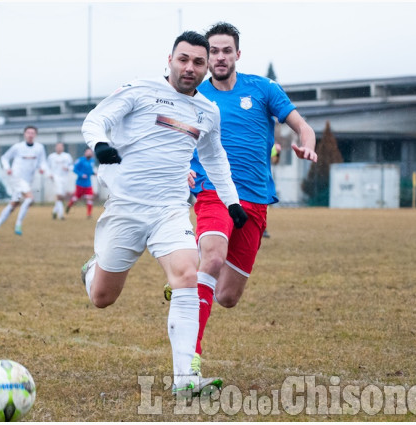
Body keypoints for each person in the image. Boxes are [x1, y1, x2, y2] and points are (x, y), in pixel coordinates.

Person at [79, 30, 247, 399]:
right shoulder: (140, 90)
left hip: (170, 210)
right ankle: (92, 270)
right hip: (126, 209)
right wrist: (101, 144)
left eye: (198, 62)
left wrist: (231, 201)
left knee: (188, 273)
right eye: (183, 59)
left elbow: (214, 157)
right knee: (102, 297)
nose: (190, 67)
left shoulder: (207, 110)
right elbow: (94, 120)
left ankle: (186, 378)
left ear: (205, 69)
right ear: (169, 60)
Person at [164, 22, 318, 376]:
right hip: (213, 193)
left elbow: (303, 126)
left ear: (237, 54)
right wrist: (182, 170)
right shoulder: (195, 97)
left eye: (225, 51)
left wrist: (306, 145)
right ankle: (189, 362)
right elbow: (175, 140)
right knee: (213, 259)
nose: (219, 57)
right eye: (213, 52)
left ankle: (187, 291)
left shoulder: (263, 89)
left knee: (228, 297)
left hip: (255, 201)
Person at [0, 126, 47, 240]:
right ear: (24, 134)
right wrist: (7, 168)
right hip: (16, 177)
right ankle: (18, 224)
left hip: (27, 180)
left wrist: (42, 168)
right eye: (28, 132)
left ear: (35, 135)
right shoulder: (17, 147)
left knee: (14, 204)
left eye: (32, 133)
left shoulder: (39, 148)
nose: (30, 135)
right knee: (30, 198)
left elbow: (43, 161)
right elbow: (4, 158)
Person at [65, 148, 95, 218]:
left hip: (88, 184)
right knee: (76, 198)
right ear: (85, 153)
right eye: (88, 152)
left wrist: (93, 173)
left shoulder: (92, 161)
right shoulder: (80, 160)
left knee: (90, 198)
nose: (89, 153)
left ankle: (89, 214)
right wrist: (81, 174)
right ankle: (69, 205)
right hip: (80, 184)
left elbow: (90, 171)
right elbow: (74, 169)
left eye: (90, 152)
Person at [47, 142, 73, 220]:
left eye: (61, 146)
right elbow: (47, 167)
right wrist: (50, 174)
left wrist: (68, 168)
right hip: (55, 177)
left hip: (64, 178)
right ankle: (61, 215)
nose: (59, 148)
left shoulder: (67, 156)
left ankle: (54, 211)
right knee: (59, 195)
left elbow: (72, 166)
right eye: (58, 146)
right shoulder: (51, 157)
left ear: (63, 147)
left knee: (62, 196)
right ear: (55, 147)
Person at [261, 142, 282, 239]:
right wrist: (277, 153)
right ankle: (262, 228)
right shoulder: (271, 145)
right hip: (262, 178)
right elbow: (275, 160)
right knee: (264, 203)